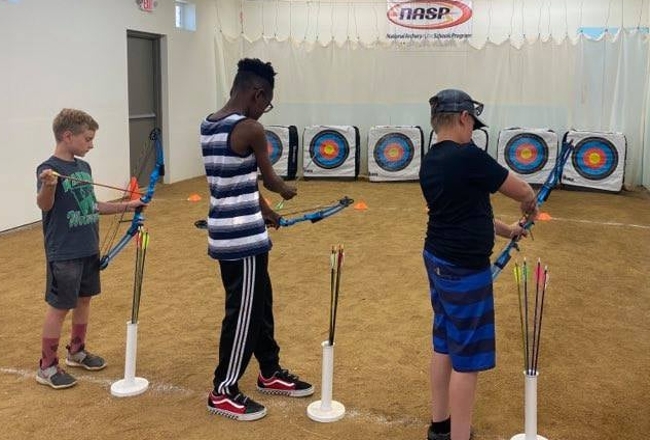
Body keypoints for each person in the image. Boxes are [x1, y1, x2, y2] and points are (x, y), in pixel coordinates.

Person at [419, 89, 538, 440]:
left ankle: (439, 426)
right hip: (464, 270)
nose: (472, 130)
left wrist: (509, 231)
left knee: (444, 342)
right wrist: (530, 203)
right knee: (466, 359)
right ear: (463, 118)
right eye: (472, 123)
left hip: (437, 258)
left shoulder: (432, 160)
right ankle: (459, 436)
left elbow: (471, 213)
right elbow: (520, 189)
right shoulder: (467, 156)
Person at [200, 58, 313, 421]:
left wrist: (268, 212)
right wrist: (287, 189)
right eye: (266, 103)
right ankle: (224, 390)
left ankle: (269, 370)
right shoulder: (250, 129)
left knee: (259, 302)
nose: (265, 111)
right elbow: (270, 180)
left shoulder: (209, 123)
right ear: (256, 93)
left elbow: (238, 181)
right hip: (242, 240)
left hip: (233, 230)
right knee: (244, 312)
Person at [36, 108, 147, 389]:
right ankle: (47, 366)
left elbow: (93, 206)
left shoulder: (83, 168)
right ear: (67, 135)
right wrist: (48, 185)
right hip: (64, 251)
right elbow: (44, 205)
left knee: (84, 300)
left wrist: (128, 206)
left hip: (88, 247)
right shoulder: (48, 169)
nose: (91, 144)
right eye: (87, 139)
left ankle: (77, 351)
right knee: (60, 307)